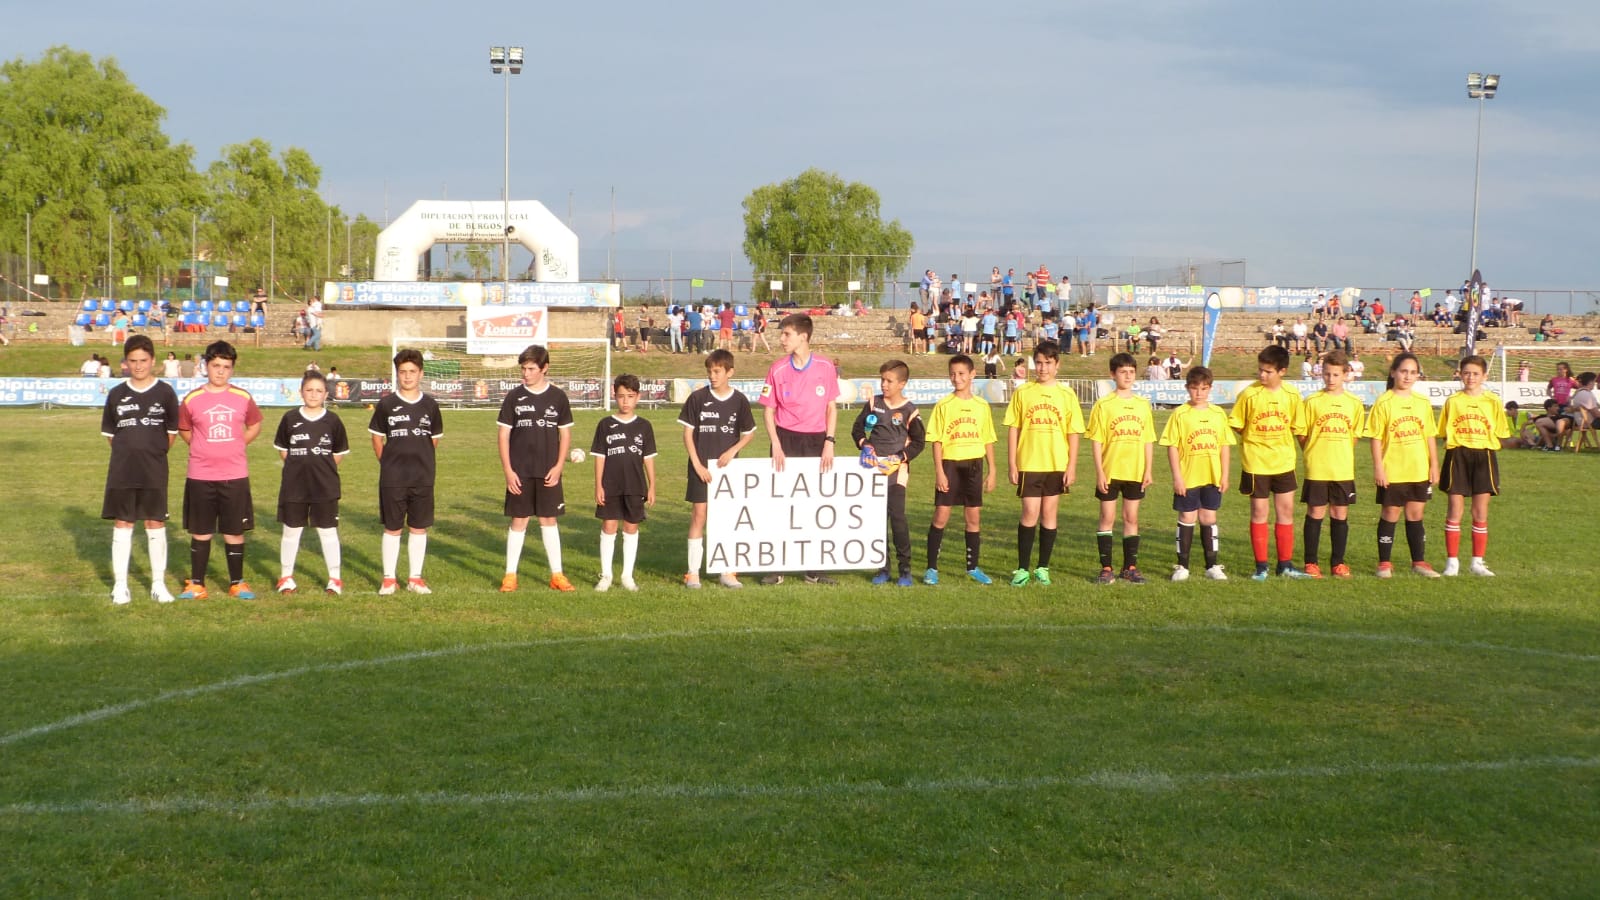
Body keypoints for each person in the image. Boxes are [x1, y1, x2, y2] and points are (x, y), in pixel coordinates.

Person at [176, 340, 265, 600]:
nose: (220, 371)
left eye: (226, 366)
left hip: (234, 475)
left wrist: (238, 444)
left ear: (232, 368)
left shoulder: (243, 397)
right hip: (200, 475)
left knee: (234, 531)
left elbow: (255, 425)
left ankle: (237, 583)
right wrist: (202, 447)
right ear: (206, 366)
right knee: (201, 531)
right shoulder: (192, 399)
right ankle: (196, 584)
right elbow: (184, 429)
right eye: (216, 365)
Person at [758, 313, 840, 585]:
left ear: (803, 337)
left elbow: (831, 407)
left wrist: (829, 442)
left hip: (816, 440)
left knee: (814, 503)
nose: (781, 339)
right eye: (781, 334)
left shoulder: (827, 367)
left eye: (786, 334)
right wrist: (777, 445)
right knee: (782, 502)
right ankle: (777, 567)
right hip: (786, 438)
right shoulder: (777, 368)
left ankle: (813, 568)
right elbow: (768, 412)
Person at [100, 334, 182, 605]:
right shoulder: (116, 394)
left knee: (154, 522)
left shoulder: (166, 393)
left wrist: (152, 452)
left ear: (153, 361)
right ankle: (120, 586)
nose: (138, 366)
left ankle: (158, 584)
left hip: (154, 469)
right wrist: (130, 451)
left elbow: (170, 434)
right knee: (123, 523)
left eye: (143, 360)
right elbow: (112, 435)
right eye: (133, 361)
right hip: (122, 469)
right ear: (125, 363)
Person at [1004, 339, 1084, 586]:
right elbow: (1014, 428)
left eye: (1047, 363)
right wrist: (1012, 464)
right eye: (1038, 363)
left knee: (1049, 514)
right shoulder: (1023, 392)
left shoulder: (1066, 394)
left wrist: (1071, 466)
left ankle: (1043, 568)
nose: (1042, 368)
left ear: (1057, 365)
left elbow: (1073, 432)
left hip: (1056, 463)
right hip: (1029, 461)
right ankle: (1022, 569)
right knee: (1029, 512)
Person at [497, 344, 576, 593]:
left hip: (548, 471)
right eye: (523, 369)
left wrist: (559, 466)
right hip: (519, 471)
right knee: (519, 520)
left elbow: (565, 434)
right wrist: (508, 471)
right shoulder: (514, 397)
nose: (526, 373)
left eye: (531, 368)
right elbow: (503, 436)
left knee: (548, 520)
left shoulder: (558, 397)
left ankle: (557, 575)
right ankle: (510, 575)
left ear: (545, 368)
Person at [1229, 344, 1311, 580]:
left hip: (1284, 462)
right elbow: (1236, 423)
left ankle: (1284, 564)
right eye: (1260, 370)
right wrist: (1252, 440)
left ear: (1282, 371)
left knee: (1286, 511)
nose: (1262, 375)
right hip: (1256, 463)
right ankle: (1261, 566)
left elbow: (1299, 428)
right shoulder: (1250, 394)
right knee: (1259, 511)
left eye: (1268, 371)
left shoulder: (1292, 395)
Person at [679, 348, 757, 589]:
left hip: (727, 470)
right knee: (699, 516)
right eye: (709, 371)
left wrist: (733, 450)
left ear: (729, 372)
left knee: (726, 519)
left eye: (717, 371)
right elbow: (688, 433)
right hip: (701, 467)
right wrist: (697, 463)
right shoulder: (698, 398)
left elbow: (749, 433)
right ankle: (692, 572)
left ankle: (727, 571)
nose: (712, 376)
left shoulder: (739, 400)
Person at [369, 348, 444, 595]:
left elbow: (433, 440)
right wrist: (389, 463)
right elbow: (377, 439)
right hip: (393, 478)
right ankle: (389, 578)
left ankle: (415, 578)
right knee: (393, 527)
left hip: (422, 476)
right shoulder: (386, 404)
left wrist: (418, 460)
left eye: (412, 371)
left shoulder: (430, 405)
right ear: (397, 374)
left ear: (421, 373)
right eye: (403, 372)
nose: (407, 376)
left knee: (419, 527)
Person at [272, 370, 350, 595]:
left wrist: (320, 470)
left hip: (324, 486)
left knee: (327, 531)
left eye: (318, 391)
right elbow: (284, 451)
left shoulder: (333, 420)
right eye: (309, 390)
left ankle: (334, 579)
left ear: (326, 393)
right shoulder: (290, 418)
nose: (313, 395)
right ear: (301, 392)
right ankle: (286, 577)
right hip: (294, 485)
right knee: (291, 530)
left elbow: (337, 454)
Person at [852, 360, 927, 586]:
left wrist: (900, 457)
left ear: (902, 384)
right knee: (877, 520)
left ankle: (905, 570)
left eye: (889, 381)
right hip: (872, 470)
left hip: (896, 473)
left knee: (898, 518)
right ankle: (882, 568)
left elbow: (919, 443)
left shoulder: (910, 411)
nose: (884, 384)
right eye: (882, 379)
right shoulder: (874, 403)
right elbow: (857, 429)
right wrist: (865, 443)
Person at [1366, 352, 1441, 578]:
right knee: (1390, 512)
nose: (1407, 376)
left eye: (1412, 372)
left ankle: (1419, 562)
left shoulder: (1422, 402)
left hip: (1418, 468)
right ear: (1393, 373)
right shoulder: (1384, 402)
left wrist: (1433, 464)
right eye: (1403, 371)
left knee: (1416, 513)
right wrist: (1379, 467)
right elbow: (1376, 437)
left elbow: (1429, 435)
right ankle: (1384, 564)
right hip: (1393, 469)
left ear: (1418, 375)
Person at [924, 353, 997, 585]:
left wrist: (992, 470)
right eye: (953, 374)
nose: (957, 378)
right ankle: (931, 569)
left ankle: (972, 567)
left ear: (972, 374)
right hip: (950, 465)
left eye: (961, 374)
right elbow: (936, 441)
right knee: (941, 515)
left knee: (973, 518)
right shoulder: (944, 405)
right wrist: (939, 471)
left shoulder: (982, 406)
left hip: (974, 465)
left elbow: (987, 439)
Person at [1087, 353, 1157, 584]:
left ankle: (1130, 568)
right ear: (1113, 374)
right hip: (1110, 470)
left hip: (1135, 471)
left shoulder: (1142, 405)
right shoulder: (1104, 405)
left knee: (1131, 517)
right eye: (1123, 372)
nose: (1128, 376)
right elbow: (1096, 440)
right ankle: (1106, 568)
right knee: (1107, 517)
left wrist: (1148, 469)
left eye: (1131, 372)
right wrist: (1099, 472)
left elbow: (1148, 439)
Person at [1438, 354, 1510, 578]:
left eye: (1475, 374)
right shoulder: (1453, 401)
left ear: (1484, 376)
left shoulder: (1492, 401)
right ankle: (1452, 562)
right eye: (1466, 373)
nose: (1470, 377)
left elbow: (1501, 431)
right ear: (1460, 374)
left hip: (1484, 456)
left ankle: (1477, 562)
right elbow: (1442, 433)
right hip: (1458, 454)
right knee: (1454, 509)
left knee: (1480, 511)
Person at [1160, 365, 1233, 581]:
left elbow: (1225, 446)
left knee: (1208, 517)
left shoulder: (1218, 414)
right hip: (1188, 476)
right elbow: (1172, 445)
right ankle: (1182, 566)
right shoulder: (1180, 414)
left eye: (1203, 388)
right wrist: (1177, 477)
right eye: (1194, 388)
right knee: (1187, 517)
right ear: (1187, 388)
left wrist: (1225, 475)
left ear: (1210, 388)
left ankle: (1212, 565)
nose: (1199, 393)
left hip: (1212, 475)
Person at [1296, 350, 1364, 579]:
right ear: (1321, 374)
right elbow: (1302, 434)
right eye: (1327, 374)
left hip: (1342, 467)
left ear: (1346, 374)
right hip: (1317, 466)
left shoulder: (1354, 404)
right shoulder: (1312, 401)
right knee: (1315, 512)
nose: (1331, 379)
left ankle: (1338, 563)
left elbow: (1354, 436)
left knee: (1340, 514)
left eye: (1336, 374)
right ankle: (1311, 563)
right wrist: (1313, 451)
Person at [590, 374, 657, 591]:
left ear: (637, 397)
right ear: (614, 396)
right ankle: (606, 575)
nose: (625, 401)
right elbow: (600, 457)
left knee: (631, 527)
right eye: (621, 396)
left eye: (630, 396)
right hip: (610, 484)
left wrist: (652, 485)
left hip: (635, 485)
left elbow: (648, 458)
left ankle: (627, 575)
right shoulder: (606, 424)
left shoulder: (644, 426)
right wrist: (598, 484)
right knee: (609, 526)